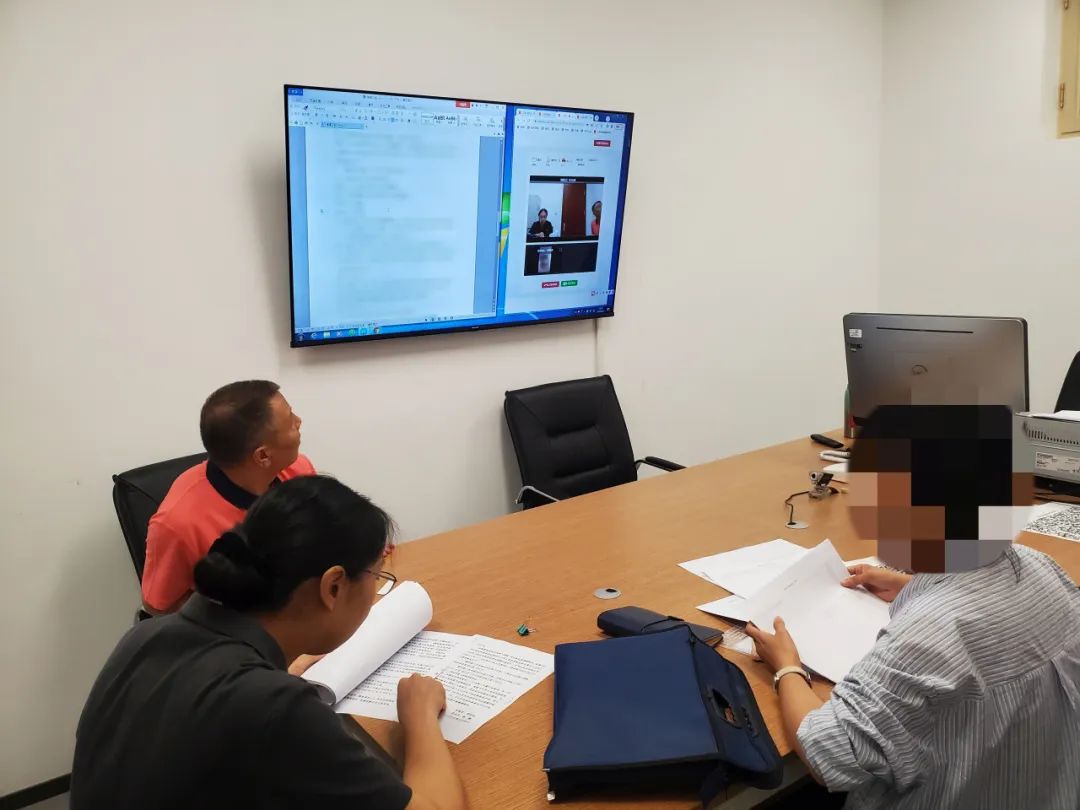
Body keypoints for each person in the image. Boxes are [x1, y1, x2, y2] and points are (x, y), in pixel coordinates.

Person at [746, 404, 1080, 810]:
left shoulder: (928, 634)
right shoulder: (1040, 566)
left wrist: (786, 667)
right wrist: (911, 586)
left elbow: (828, 755)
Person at [72, 475, 467, 810]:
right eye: (377, 576)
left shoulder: (146, 637)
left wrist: (282, 670)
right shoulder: (275, 709)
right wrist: (419, 716)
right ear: (333, 586)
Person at [141, 380, 316, 614]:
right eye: (290, 421)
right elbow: (158, 607)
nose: (299, 422)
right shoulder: (177, 524)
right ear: (263, 456)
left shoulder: (297, 469)